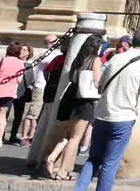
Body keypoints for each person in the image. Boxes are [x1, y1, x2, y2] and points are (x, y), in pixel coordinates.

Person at [74, 28, 140, 191]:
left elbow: (100, 86)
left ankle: (79, 189)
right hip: (123, 119)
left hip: (103, 115)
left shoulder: (115, 59)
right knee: (110, 164)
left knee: (93, 159)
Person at [44, 34, 105, 182]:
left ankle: (52, 157)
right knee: (75, 138)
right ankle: (63, 172)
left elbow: (71, 77)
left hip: (70, 95)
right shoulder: (95, 60)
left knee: (67, 135)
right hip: (83, 99)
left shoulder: (78, 58)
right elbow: (97, 82)